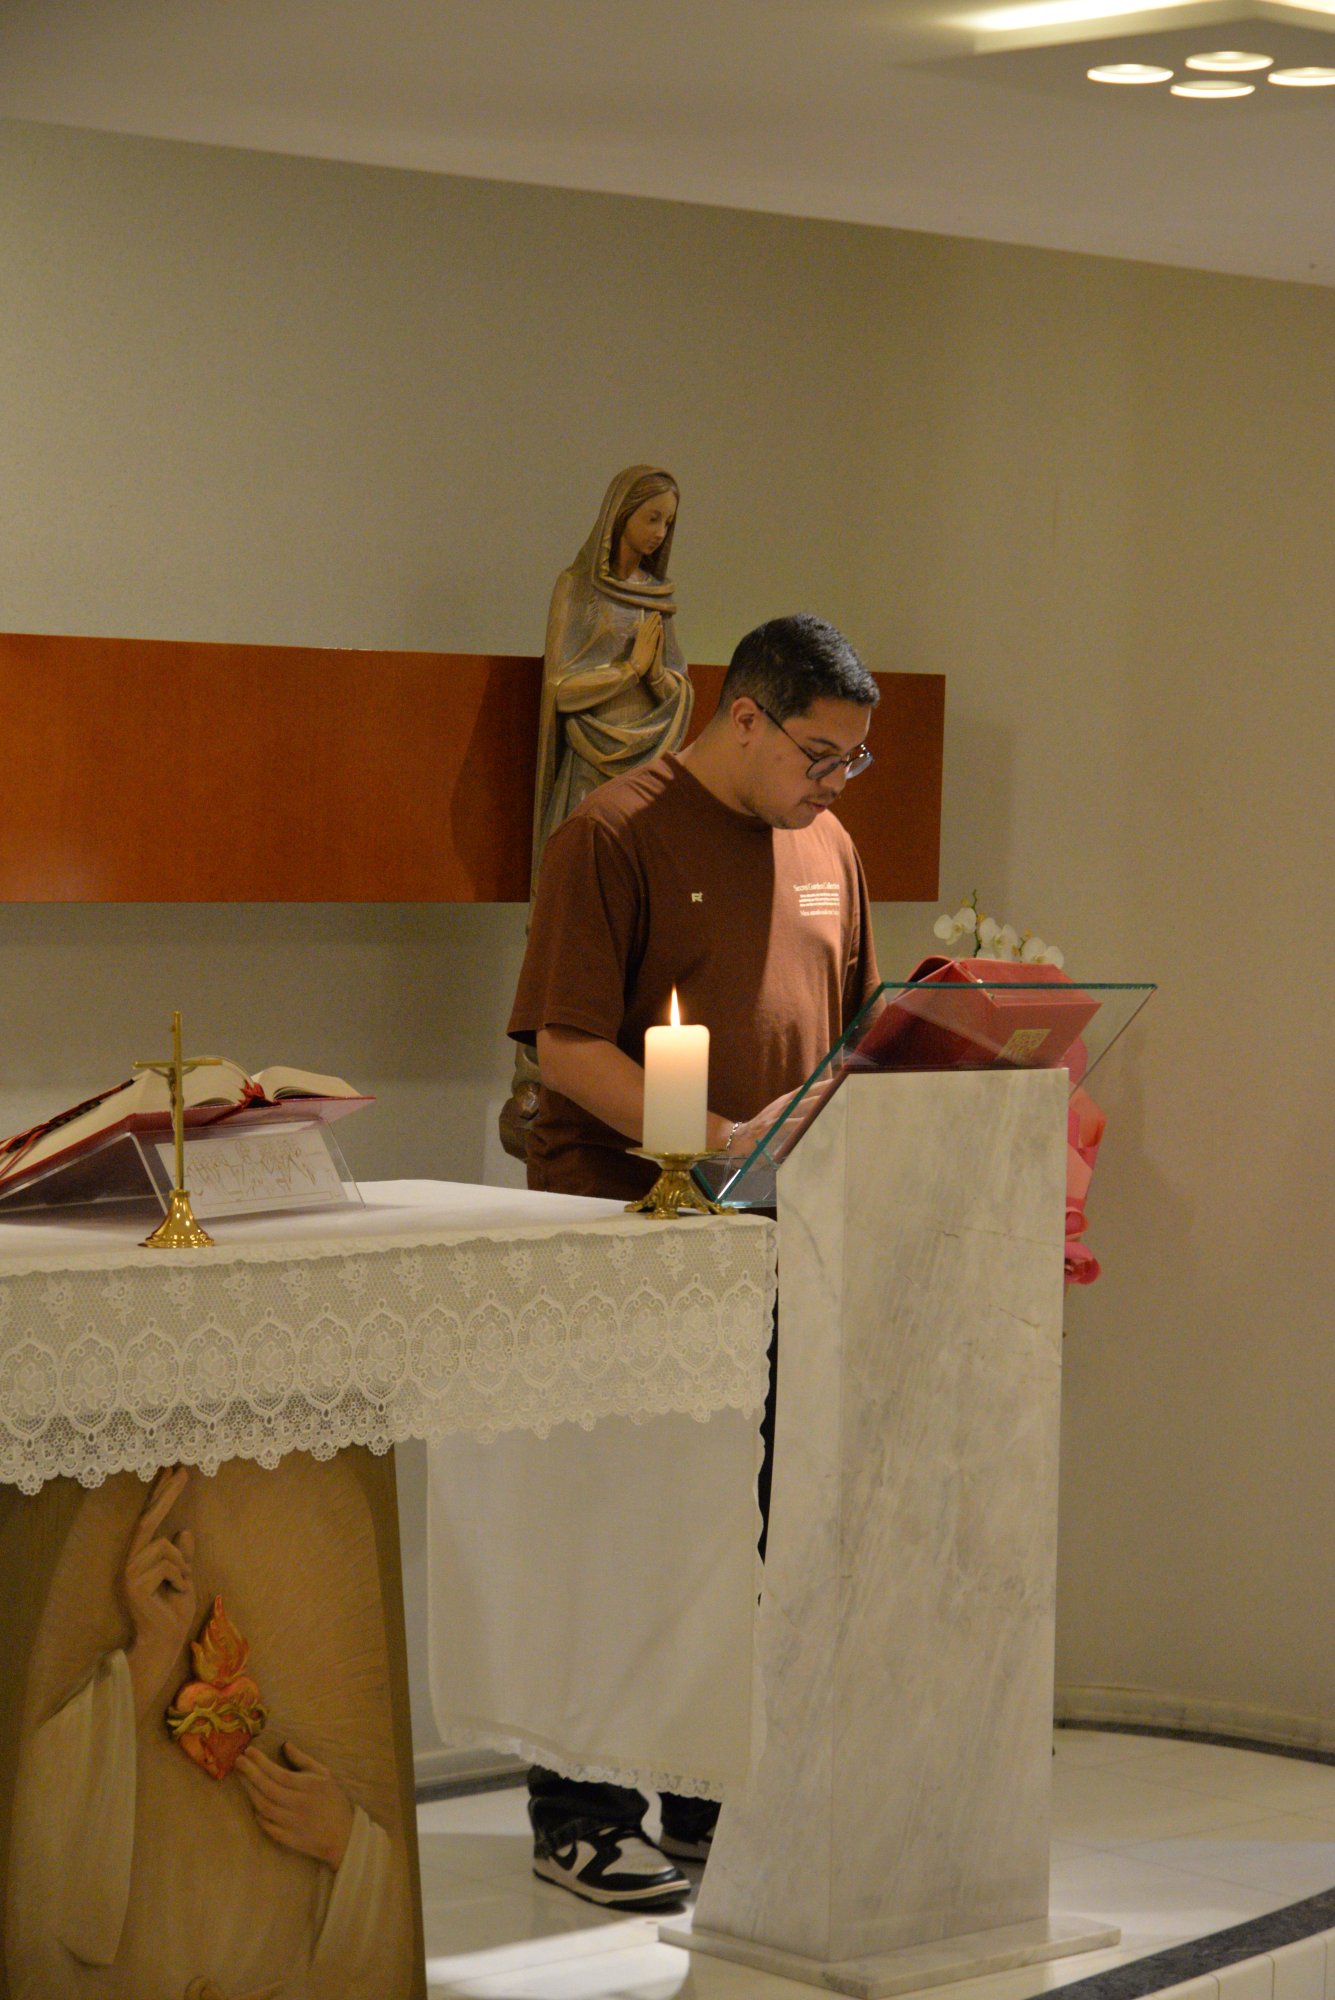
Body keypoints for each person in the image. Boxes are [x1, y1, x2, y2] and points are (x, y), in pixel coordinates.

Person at [507, 611, 881, 1905]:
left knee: (752, 1523)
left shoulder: (829, 845)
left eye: (853, 760)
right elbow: (566, 1046)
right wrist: (716, 1138)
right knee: (623, 1528)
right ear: (745, 717)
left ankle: (711, 1794)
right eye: (819, 754)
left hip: (778, 1235)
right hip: (628, 1229)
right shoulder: (612, 833)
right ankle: (582, 1811)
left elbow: (856, 1035)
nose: (836, 784)